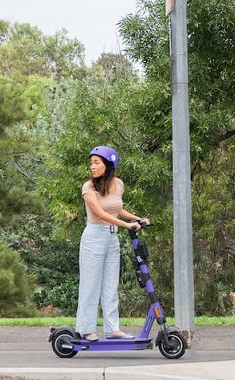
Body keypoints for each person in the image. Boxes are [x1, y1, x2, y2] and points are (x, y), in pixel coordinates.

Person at [75, 145, 150, 341]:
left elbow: (116, 209)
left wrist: (138, 218)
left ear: (108, 165)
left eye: (96, 163)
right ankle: (86, 329)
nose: (92, 167)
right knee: (90, 285)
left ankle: (112, 329)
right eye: (91, 163)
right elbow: (100, 213)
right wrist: (127, 225)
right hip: (94, 237)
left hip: (112, 238)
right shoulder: (88, 187)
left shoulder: (118, 184)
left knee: (110, 285)